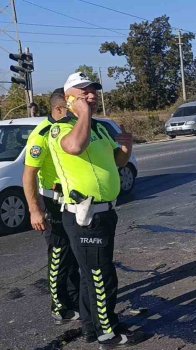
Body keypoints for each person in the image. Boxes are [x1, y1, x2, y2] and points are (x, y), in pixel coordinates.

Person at [48, 72, 142, 348]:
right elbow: (75, 147)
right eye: (84, 92)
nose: (91, 96)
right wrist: (81, 113)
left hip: (105, 212)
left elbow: (119, 162)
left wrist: (126, 146)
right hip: (83, 214)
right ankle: (107, 332)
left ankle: (92, 328)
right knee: (101, 276)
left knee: (93, 275)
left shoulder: (100, 128)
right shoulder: (61, 128)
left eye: (94, 92)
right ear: (69, 98)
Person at [22, 88, 80, 325]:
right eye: (71, 106)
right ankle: (59, 306)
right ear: (59, 108)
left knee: (74, 254)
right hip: (53, 202)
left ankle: (76, 299)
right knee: (58, 254)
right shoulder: (42, 134)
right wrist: (34, 209)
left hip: (72, 201)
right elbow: (29, 175)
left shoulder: (70, 129)